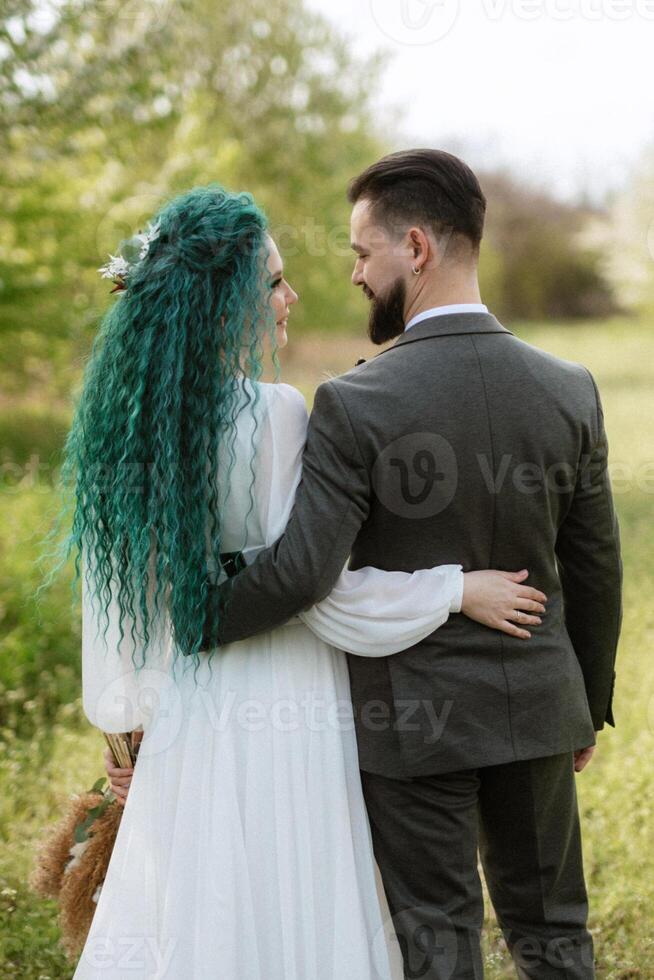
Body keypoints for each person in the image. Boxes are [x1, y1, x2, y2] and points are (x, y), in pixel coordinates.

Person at [72, 183, 544, 979]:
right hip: (287, 694)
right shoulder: (277, 413)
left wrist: (124, 725)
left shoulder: (131, 426)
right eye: (274, 282)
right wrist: (455, 589)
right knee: (297, 886)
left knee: (200, 898)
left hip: (191, 701)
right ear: (225, 302)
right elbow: (317, 588)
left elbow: (120, 600)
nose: (290, 298)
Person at [200, 151, 623, 979]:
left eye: (363, 253)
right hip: (541, 710)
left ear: (418, 248)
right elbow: (596, 566)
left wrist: (190, 618)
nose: (356, 275)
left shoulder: (356, 403)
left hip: (411, 729)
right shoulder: (570, 387)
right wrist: (587, 703)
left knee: (436, 945)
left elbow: (300, 575)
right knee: (556, 935)